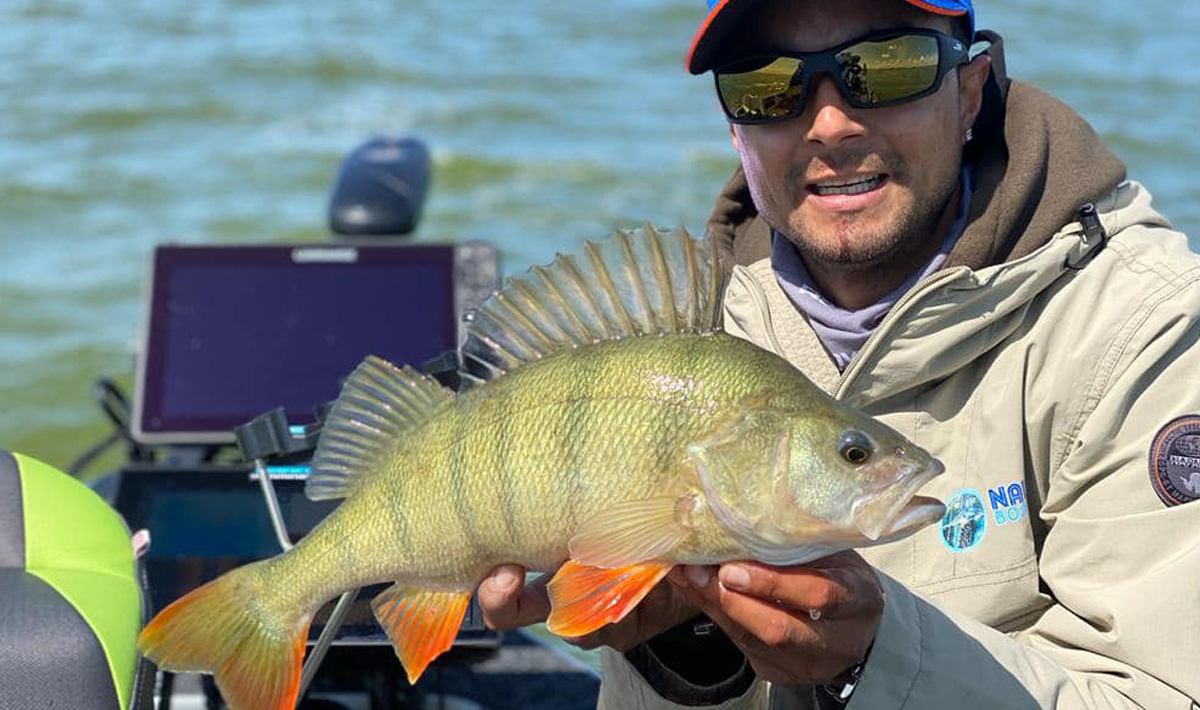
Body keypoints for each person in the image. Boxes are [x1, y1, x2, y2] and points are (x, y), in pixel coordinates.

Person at [478, 0, 1200, 707]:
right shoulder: (682, 330)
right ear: (734, 128)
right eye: (768, 84)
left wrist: (877, 659)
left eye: (885, 67)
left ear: (969, 91)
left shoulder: (1145, 331)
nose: (829, 124)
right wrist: (691, 644)